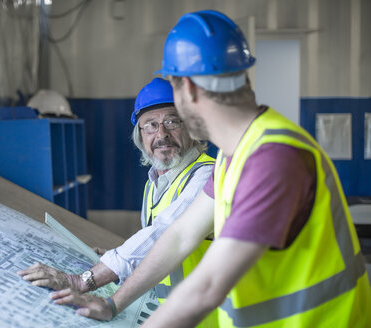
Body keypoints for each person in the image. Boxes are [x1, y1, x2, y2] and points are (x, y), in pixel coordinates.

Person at [49, 10, 371, 327]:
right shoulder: (236, 154)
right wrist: (111, 303)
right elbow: (178, 237)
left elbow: (207, 286)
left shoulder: (274, 159)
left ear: (186, 88)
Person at [18, 78, 217, 326]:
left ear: (191, 126)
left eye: (172, 121)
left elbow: (165, 234)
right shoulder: (154, 182)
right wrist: (113, 258)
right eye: (150, 125)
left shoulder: (208, 175)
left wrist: (83, 280)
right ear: (140, 135)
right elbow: (152, 245)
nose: (161, 134)